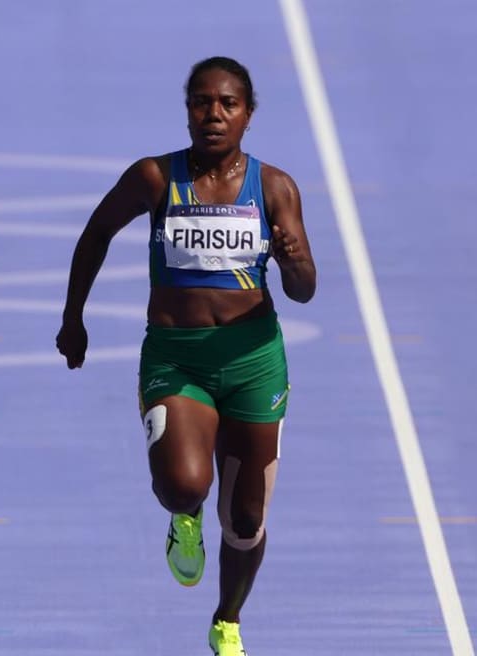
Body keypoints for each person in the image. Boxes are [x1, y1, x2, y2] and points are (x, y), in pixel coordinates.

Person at [56, 56, 316, 655]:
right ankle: (184, 519)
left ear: (248, 114)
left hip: (254, 362)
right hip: (177, 359)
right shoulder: (155, 177)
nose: (214, 114)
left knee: (247, 520)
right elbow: (95, 233)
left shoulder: (274, 188)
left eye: (228, 104)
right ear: (188, 110)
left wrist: (294, 257)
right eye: (202, 102)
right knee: (181, 485)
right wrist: (74, 318)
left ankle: (227, 620)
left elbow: (304, 290)